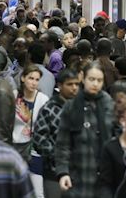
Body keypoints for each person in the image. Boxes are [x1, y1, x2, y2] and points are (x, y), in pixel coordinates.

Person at [55, 62, 115, 198]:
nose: (95, 84)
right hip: (77, 175)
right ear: (83, 77)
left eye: (99, 80)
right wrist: (63, 172)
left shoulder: (109, 105)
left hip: (105, 179)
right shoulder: (71, 106)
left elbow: (118, 141)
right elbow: (63, 144)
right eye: (91, 79)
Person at [33, 69, 80, 198]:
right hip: (53, 172)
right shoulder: (49, 108)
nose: (74, 88)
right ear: (60, 86)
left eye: (77, 84)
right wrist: (60, 155)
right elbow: (39, 140)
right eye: (70, 84)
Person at [13, 64, 49, 198]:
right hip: (15, 146)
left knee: (38, 191)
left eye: (37, 79)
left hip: (34, 149)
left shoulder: (43, 99)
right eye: (31, 78)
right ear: (23, 78)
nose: (34, 82)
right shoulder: (14, 96)